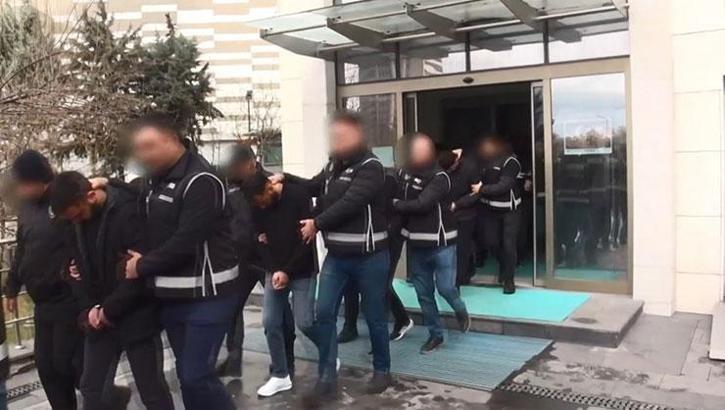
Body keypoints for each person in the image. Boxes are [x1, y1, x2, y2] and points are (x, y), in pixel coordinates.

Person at [120, 113, 240, 409]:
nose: (144, 155)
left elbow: (186, 242)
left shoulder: (202, 180)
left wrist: (141, 266)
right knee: (186, 377)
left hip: (209, 296)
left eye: (149, 146)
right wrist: (107, 184)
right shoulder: (157, 180)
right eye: (140, 148)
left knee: (196, 375)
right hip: (173, 297)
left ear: (173, 140)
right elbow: (138, 197)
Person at [285, 111, 392, 400]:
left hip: (370, 257)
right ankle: (326, 376)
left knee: (374, 315)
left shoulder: (371, 167)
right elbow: (312, 186)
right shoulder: (333, 166)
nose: (337, 140)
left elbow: (350, 203)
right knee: (324, 313)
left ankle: (382, 370)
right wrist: (285, 178)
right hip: (337, 257)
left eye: (343, 135)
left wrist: (317, 222)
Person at [50, 172, 174, 410]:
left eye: (77, 215)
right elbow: (72, 267)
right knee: (91, 388)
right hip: (97, 317)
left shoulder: (127, 212)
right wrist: (89, 310)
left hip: (136, 315)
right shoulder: (72, 222)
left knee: (151, 389)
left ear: (90, 197)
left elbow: (138, 273)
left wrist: (108, 310)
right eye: (70, 219)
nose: (75, 222)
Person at [3, 150, 82, 410]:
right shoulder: (27, 209)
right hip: (42, 302)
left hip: (67, 298)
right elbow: (22, 249)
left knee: (66, 364)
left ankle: (106, 397)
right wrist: (12, 287)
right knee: (46, 367)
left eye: (23, 184)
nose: (20, 191)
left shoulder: (62, 199)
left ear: (39, 180)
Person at [243, 172, 318, 397]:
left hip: (301, 268)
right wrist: (275, 269)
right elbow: (260, 239)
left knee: (305, 322)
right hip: (274, 269)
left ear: (269, 187)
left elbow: (306, 240)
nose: (261, 207)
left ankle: (329, 352)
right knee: (270, 321)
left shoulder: (298, 195)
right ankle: (280, 374)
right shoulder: (256, 205)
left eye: (262, 201)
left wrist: (287, 271)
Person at [394, 134, 470, 354]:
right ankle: (436, 335)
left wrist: (394, 203)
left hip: (442, 243)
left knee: (445, 288)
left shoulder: (440, 177)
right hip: (417, 245)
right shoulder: (404, 174)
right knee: (424, 294)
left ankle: (460, 309)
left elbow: (422, 204)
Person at [337, 170, 415, 343]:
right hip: (365, 238)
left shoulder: (389, 180)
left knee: (380, 284)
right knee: (354, 282)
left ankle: (399, 321)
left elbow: (401, 210)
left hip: (387, 239)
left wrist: (393, 232)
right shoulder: (350, 179)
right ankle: (351, 327)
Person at [219, 144, 271, 378]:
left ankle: (284, 363)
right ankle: (234, 360)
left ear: (251, 163)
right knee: (231, 309)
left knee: (276, 316)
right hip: (240, 259)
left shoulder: (269, 182)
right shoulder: (228, 187)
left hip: (267, 259)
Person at [472, 134, 523, 294]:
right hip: (490, 209)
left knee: (509, 245)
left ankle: (509, 280)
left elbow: (504, 185)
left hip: (510, 210)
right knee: (491, 243)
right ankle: (504, 265)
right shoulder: (486, 162)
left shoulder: (511, 162)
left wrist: (482, 189)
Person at [439, 149, 481, 287]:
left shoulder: (470, 168)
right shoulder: (441, 167)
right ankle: (461, 273)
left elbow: (476, 193)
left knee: (462, 247)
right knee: (449, 247)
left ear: (456, 162)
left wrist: (457, 204)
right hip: (447, 213)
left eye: (451, 168)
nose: (449, 171)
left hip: (466, 214)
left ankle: (459, 279)